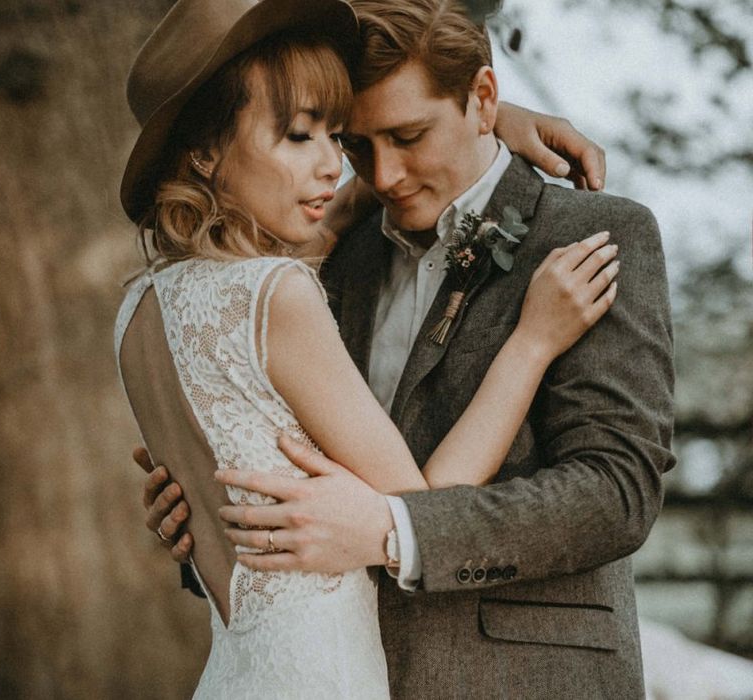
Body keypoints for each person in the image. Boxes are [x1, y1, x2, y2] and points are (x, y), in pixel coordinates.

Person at [143, 1, 674, 698]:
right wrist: (209, 513)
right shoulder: (330, 259)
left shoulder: (596, 235)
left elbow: (616, 492)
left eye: (409, 135)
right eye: (358, 145)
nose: (384, 175)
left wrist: (397, 530)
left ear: (484, 99)